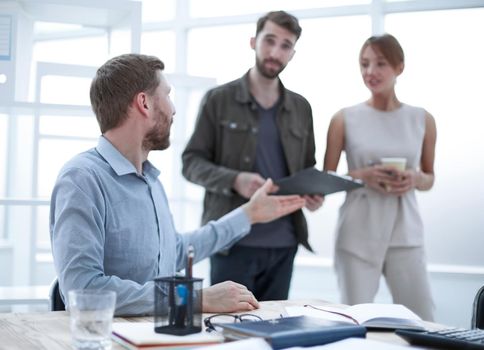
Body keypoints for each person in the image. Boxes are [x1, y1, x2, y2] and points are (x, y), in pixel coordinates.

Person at [49, 53, 307, 316]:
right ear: (144, 103)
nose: (173, 109)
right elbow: (82, 290)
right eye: (168, 95)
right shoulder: (82, 179)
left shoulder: (150, 181)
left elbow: (174, 252)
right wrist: (191, 298)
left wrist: (249, 214)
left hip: (156, 334)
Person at [182, 11, 323, 301]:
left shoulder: (301, 107)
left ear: (292, 53)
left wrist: (314, 193)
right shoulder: (218, 100)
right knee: (230, 332)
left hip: (284, 243)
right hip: (233, 241)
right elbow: (191, 163)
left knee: (275, 335)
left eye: (285, 45)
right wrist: (235, 179)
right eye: (269, 41)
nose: (275, 52)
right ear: (253, 42)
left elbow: (307, 167)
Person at [323, 34, 436, 321]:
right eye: (364, 64)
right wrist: (362, 176)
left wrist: (414, 179)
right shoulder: (343, 118)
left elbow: (429, 177)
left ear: (399, 67)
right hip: (357, 233)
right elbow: (326, 179)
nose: (370, 72)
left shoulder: (422, 119)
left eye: (380, 64)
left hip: (405, 233)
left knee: (422, 321)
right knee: (355, 321)